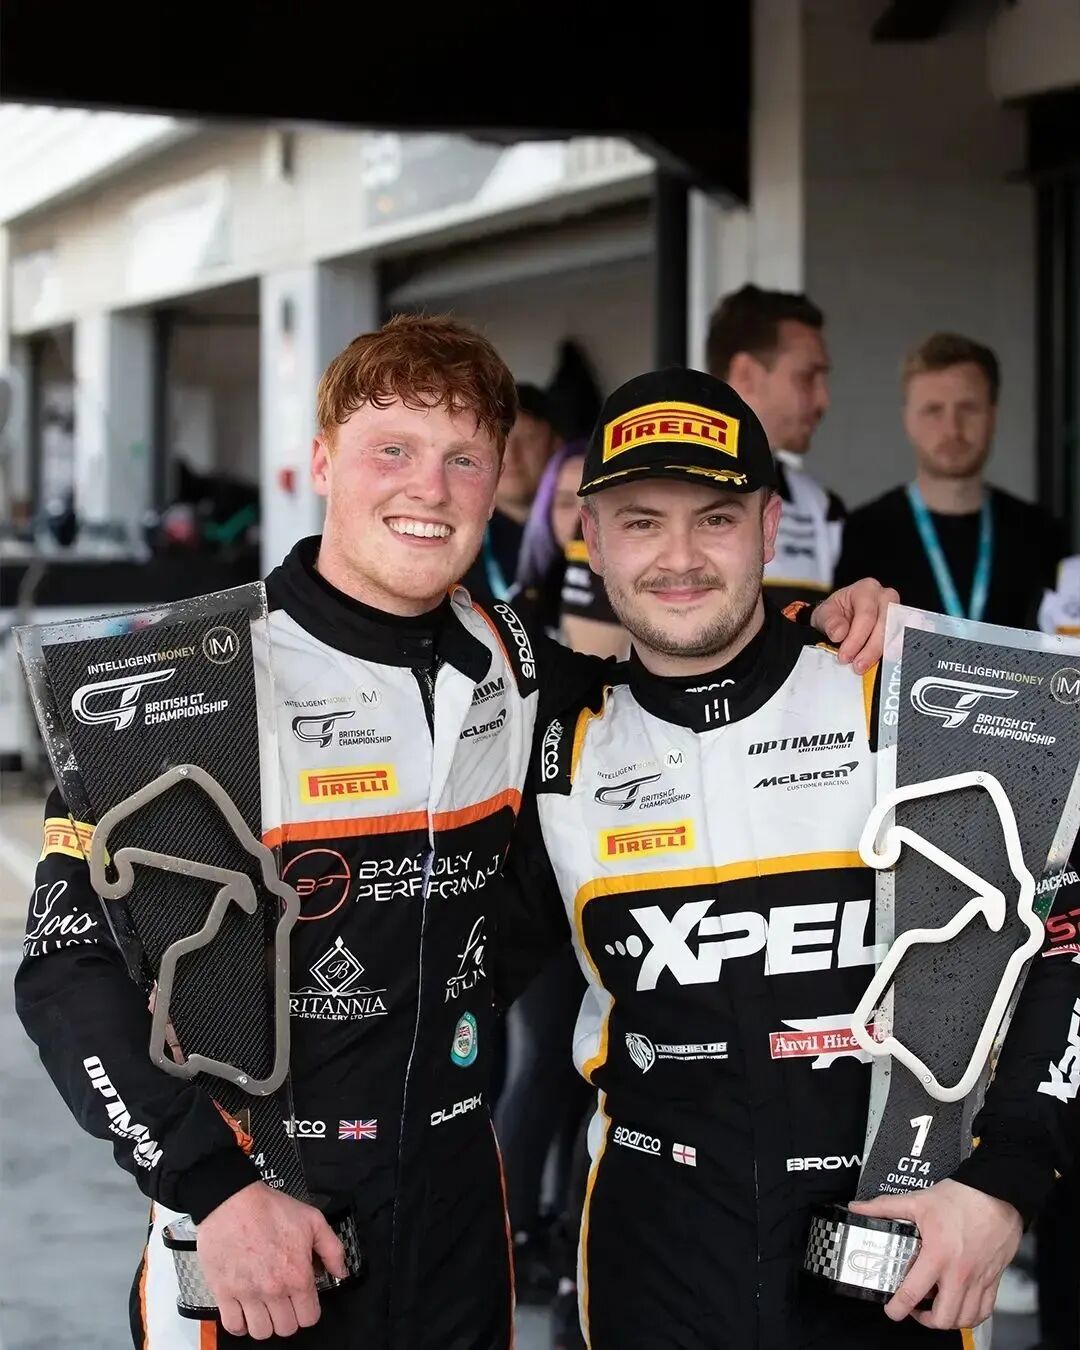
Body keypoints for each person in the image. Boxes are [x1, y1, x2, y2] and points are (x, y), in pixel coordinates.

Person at [15, 318, 892, 1350]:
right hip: (256, 1241)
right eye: (393, 450)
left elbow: (689, 681)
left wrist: (823, 637)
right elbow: (64, 974)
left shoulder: (517, 666)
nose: (428, 489)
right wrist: (212, 1189)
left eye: (464, 459)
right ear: (322, 461)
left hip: (456, 1231)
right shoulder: (178, 683)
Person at [496, 367, 1080, 1350]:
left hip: (893, 1263)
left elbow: (1064, 942)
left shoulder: (901, 697)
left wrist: (1005, 1184)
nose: (680, 557)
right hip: (648, 1269)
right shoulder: (554, 741)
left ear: (771, 526)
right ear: (590, 535)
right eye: (641, 522)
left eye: (716, 519)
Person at [836, 332, 1067, 626]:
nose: (952, 429)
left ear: (993, 416)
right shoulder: (861, 535)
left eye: (968, 409)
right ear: (907, 419)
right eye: (933, 410)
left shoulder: (1042, 534)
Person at [706, 283, 842, 608]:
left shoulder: (821, 508)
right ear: (746, 374)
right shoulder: (638, 488)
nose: (823, 400)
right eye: (807, 377)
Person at [462, 381, 562, 602]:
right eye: (501, 439)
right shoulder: (458, 536)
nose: (511, 454)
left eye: (528, 438)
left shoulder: (581, 532)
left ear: (556, 443)